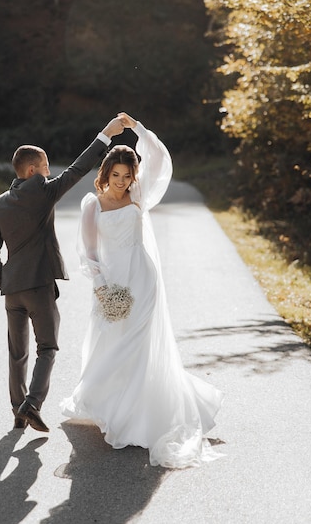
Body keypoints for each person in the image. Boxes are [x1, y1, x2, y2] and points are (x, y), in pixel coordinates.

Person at [60, 112, 224, 468]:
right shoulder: (94, 204)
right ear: (106, 174)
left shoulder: (138, 195)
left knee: (138, 341)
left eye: (127, 175)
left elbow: (160, 160)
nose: (121, 181)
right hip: (113, 281)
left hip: (143, 277)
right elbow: (88, 252)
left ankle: (136, 414)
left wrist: (137, 129)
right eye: (116, 175)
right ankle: (112, 404)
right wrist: (102, 288)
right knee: (113, 339)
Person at [0, 116, 125, 432]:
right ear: (33, 170)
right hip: (39, 288)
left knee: (17, 352)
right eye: (46, 166)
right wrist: (105, 135)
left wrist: (3, 280)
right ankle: (32, 404)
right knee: (47, 348)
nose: (50, 172)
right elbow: (78, 169)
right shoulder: (43, 192)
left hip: (12, 290)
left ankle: (18, 411)